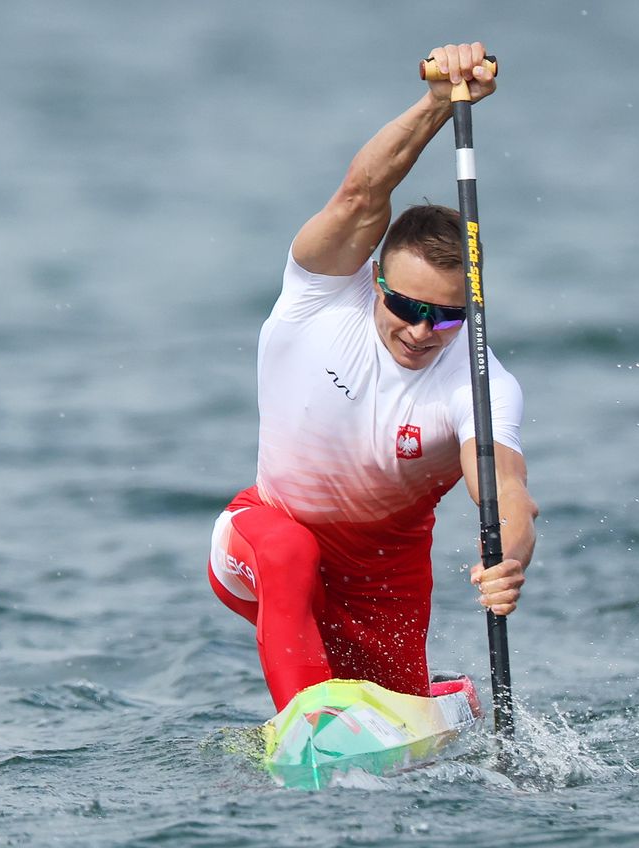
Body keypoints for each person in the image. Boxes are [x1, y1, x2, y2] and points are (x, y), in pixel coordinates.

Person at [206, 42, 538, 712]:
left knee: (405, 722)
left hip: (386, 586)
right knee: (290, 551)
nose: (421, 331)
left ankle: (450, 699)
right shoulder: (323, 291)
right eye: (407, 307)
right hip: (260, 536)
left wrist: (510, 558)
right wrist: (439, 103)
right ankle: (309, 726)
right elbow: (363, 191)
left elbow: (505, 489)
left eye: (446, 317)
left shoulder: (479, 381)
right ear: (376, 281)